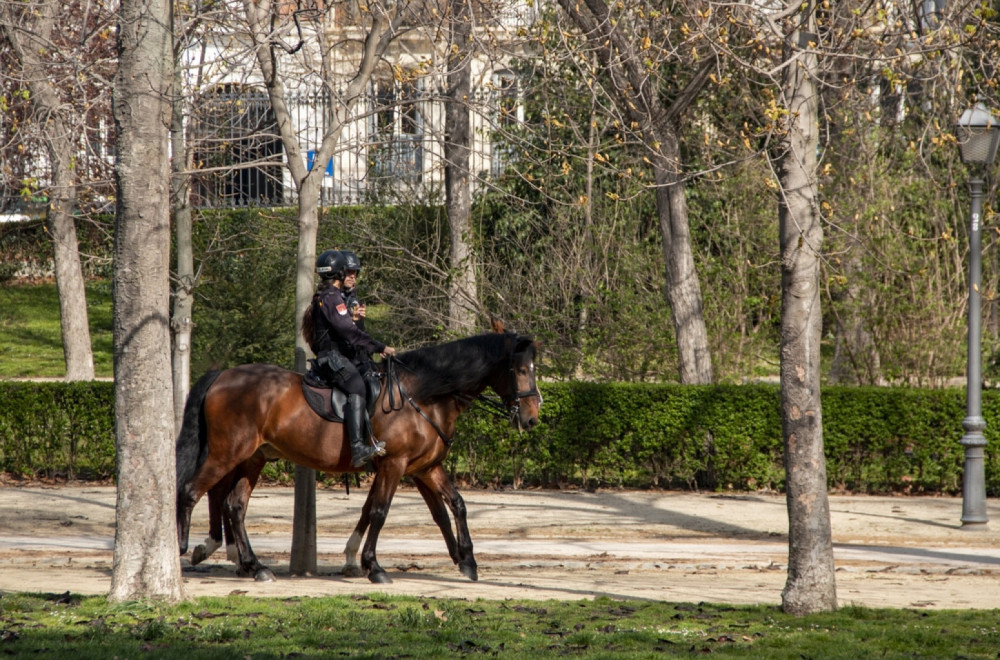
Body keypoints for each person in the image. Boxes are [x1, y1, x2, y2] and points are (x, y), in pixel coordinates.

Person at [306, 249, 396, 467]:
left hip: (337, 355)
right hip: (333, 358)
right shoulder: (332, 297)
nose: (351, 275)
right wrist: (380, 346)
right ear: (340, 272)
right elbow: (349, 332)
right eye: (348, 271)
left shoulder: (330, 296)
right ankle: (357, 447)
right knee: (357, 387)